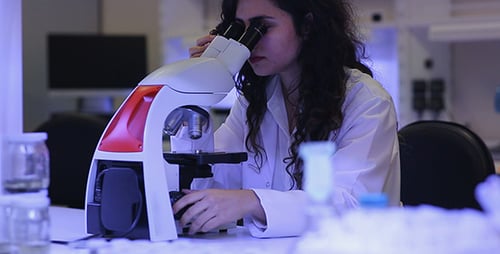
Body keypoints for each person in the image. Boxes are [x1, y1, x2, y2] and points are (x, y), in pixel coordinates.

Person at [172, 0, 400, 238]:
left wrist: (253, 202)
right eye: (241, 29)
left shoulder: (367, 101)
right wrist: (194, 92)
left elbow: (351, 204)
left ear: (307, 25)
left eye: (263, 27)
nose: (250, 42)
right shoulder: (254, 102)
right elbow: (207, 187)